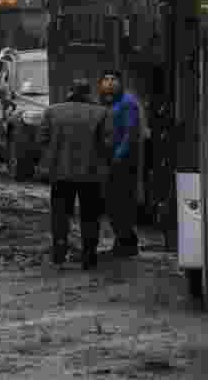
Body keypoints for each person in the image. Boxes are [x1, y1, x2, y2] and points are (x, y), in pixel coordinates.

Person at [39, 79, 112, 270]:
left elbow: (42, 139)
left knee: (60, 214)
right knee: (90, 215)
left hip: (60, 173)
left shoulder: (52, 112)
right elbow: (108, 143)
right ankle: (89, 257)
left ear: (69, 91)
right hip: (91, 174)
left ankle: (59, 254)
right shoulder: (101, 113)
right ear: (89, 93)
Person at [100, 69, 142, 257]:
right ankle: (124, 240)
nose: (109, 83)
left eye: (113, 79)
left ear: (120, 82)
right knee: (111, 203)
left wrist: (118, 155)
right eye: (106, 79)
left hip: (123, 160)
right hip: (109, 158)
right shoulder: (106, 102)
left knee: (120, 202)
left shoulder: (127, 102)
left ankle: (127, 242)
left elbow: (130, 132)